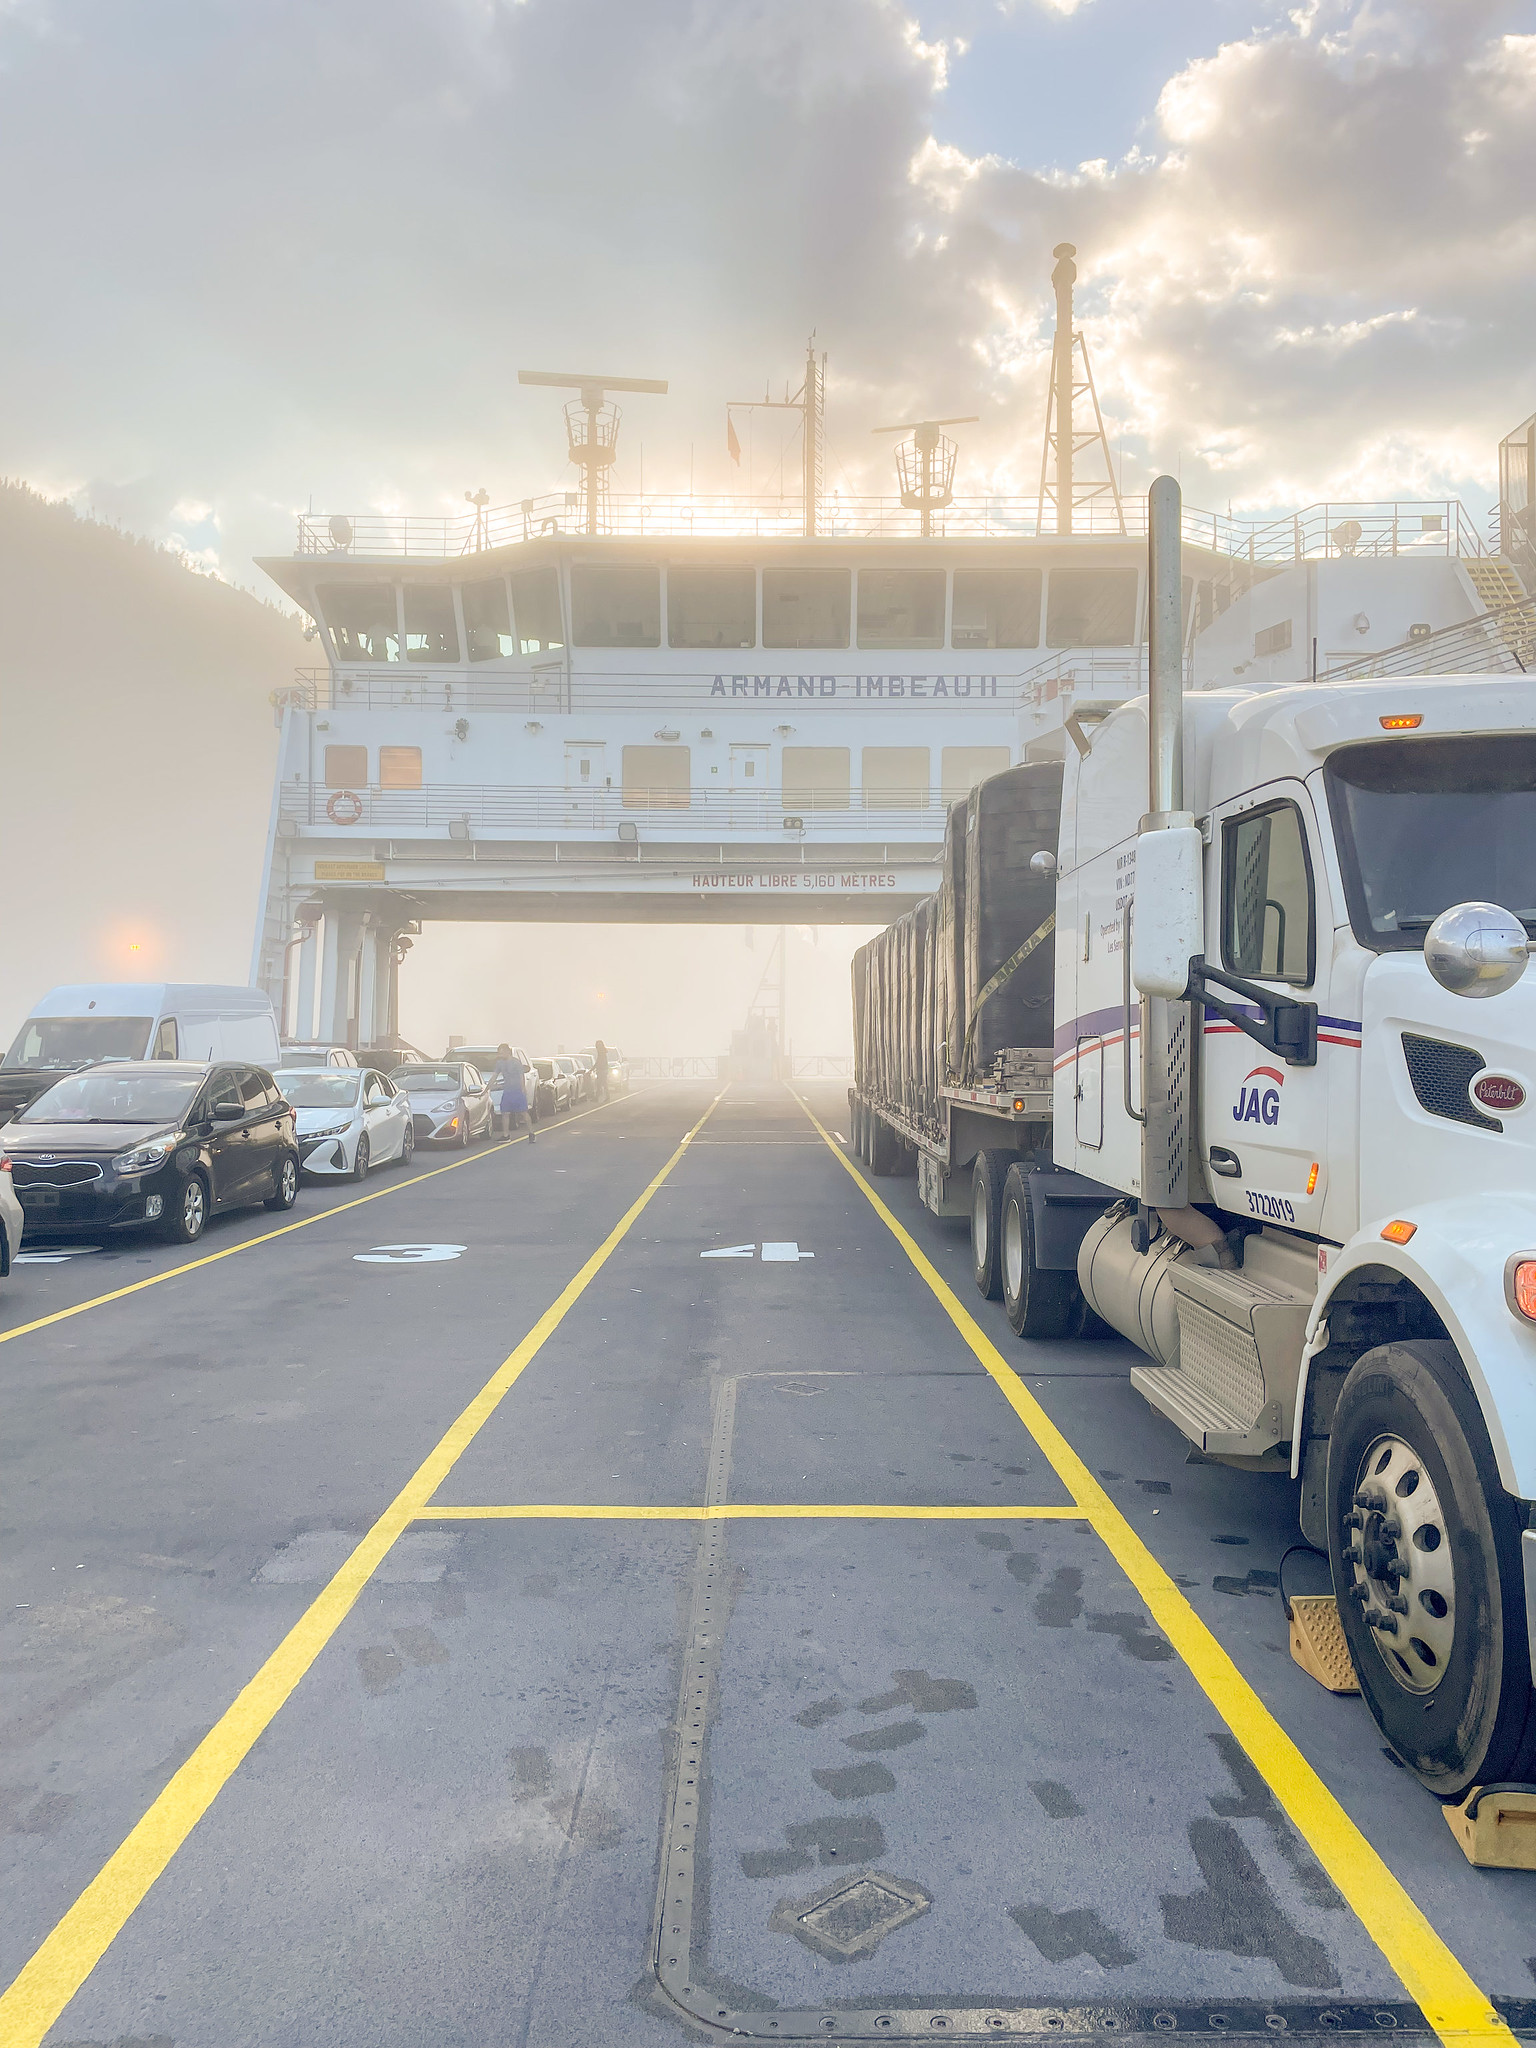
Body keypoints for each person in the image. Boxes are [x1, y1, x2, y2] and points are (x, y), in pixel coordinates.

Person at [493, 1043, 535, 1143]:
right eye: (499, 1053)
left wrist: (523, 1088)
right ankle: (506, 1135)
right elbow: (494, 1076)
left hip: (517, 1091)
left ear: (508, 1052)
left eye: (502, 1052)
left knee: (523, 1112)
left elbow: (521, 1076)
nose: (500, 1054)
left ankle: (531, 1133)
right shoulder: (500, 1063)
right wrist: (487, 1088)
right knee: (505, 1113)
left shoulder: (516, 1062)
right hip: (507, 1091)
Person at [593, 1038, 610, 1103]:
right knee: (601, 1084)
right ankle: (598, 1097)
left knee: (601, 1084)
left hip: (602, 1070)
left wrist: (592, 1069)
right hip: (603, 1070)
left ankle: (601, 1097)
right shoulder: (602, 1051)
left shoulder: (601, 1052)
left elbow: (598, 1062)